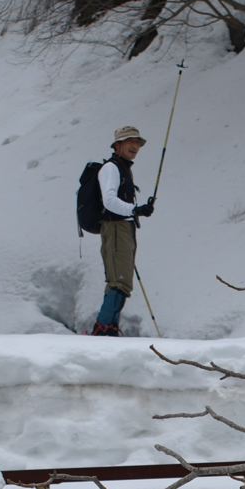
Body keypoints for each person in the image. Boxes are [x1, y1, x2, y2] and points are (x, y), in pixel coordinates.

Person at [91, 125, 156, 337]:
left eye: (137, 143)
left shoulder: (123, 167)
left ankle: (109, 329)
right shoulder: (111, 168)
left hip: (124, 228)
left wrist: (136, 211)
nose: (135, 146)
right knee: (118, 281)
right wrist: (135, 209)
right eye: (130, 141)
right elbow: (109, 201)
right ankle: (102, 331)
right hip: (116, 228)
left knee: (122, 283)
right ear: (118, 145)